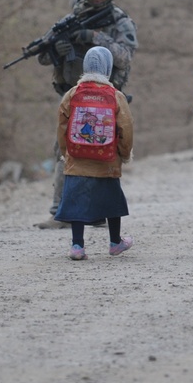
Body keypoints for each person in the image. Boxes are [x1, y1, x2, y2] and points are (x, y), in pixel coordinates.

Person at [36, 0, 138, 229]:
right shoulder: (72, 19)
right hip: (74, 97)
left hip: (106, 100)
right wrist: (57, 50)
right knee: (65, 150)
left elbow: (125, 57)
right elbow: (43, 56)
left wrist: (94, 37)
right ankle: (60, 212)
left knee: (104, 153)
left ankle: (100, 213)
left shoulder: (119, 21)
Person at [54, 46, 134, 260]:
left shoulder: (72, 94)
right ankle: (115, 242)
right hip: (107, 161)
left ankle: (77, 246)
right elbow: (126, 128)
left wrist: (67, 153)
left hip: (77, 159)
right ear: (107, 68)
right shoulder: (115, 96)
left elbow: (62, 127)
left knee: (76, 202)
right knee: (112, 201)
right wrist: (124, 153)